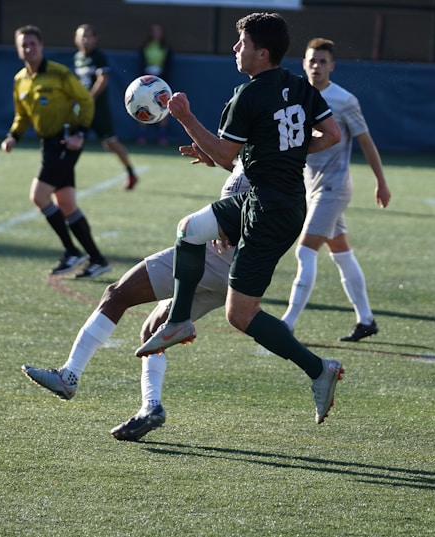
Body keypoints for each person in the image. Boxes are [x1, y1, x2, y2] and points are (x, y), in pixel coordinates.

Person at [135, 12, 345, 425]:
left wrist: (184, 117)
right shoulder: (299, 86)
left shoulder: (247, 96)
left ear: (261, 53)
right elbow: (332, 135)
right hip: (275, 201)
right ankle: (179, 320)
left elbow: (227, 156)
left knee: (240, 315)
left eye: (242, 43)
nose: (236, 49)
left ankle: (319, 369)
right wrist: (284, 153)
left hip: (268, 211)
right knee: (190, 229)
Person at [22, 145, 250, 441]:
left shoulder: (269, 137)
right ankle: (150, 407)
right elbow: (253, 176)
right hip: (233, 271)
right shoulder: (273, 144)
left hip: (209, 256)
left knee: (117, 294)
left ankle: (69, 376)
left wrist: (183, 115)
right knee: (153, 331)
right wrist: (223, 160)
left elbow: (266, 188)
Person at [280, 38, 392, 342]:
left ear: (332, 65)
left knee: (305, 251)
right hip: (311, 186)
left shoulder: (344, 100)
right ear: (303, 63)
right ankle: (366, 320)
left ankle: (287, 323)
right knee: (341, 254)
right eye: (311, 60)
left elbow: (366, 142)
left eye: (322, 61)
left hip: (334, 188)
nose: (316, 66)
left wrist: (380, 181)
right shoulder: (295, 95)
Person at [1, 25, 111, 279]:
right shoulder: (20, 80)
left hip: (65, 142)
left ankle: (72, 251)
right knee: (66, 203)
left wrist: (80, 133)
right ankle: (96, 259)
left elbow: (84, 100)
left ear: (41, 46)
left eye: (33, 43)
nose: (29, 48)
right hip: (47, 144)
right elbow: (22, 115)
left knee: (39, 196)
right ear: (18, 50)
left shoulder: (59, 73)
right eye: (24, 45)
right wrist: (13, 136)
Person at [73, 24, 139, 190]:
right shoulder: (77, 58)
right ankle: (62, 176)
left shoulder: (98, 57)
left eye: (89, 36)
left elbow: (103, 79)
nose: (85, 40)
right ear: (76, 39)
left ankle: (131, 172)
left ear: (95, 39)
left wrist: (89, 99)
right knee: (72, 140)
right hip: (82, 110)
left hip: (98, 110)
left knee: (110, 143)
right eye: (82, 36)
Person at [136, 23, 173, 146]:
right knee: (143, 104)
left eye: (159, 31)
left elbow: (168, 65)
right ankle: (142, 135)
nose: (157, 33)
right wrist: (147, 73)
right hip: (146, 82)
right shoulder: (145, 47)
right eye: (154, 31)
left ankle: (162, 136)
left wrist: (160, 73)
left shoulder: (166, 48)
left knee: (163, 106)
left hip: (161, 82)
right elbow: (141, 62)